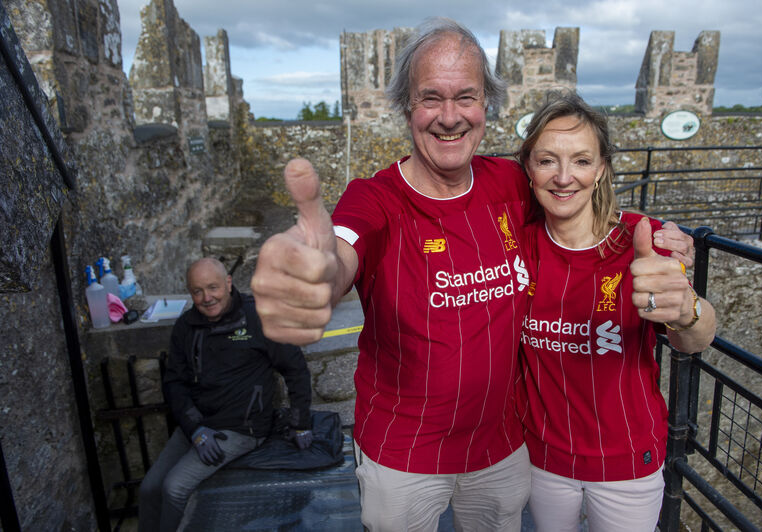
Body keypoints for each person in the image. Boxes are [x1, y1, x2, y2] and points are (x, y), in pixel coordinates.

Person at [250, 18, 694, 531]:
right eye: (430, 98)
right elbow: (340, 251)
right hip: (404, 456)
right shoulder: (374, 200)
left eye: (466, 97)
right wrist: (315, 274)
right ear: (406, 107)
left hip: (500, 452)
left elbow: (574, 200)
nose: (449, 117)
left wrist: (656, 229)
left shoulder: (510, 183)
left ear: (487, 106)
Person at [515, 92, 717, 531]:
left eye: (582, 161)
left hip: (627, 457)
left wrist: (686, 312)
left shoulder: (643, 238)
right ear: (528, 167)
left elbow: (698, 337)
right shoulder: (516, 242)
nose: (565, 177)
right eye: (548, 160)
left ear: (602, 167)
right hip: (543, 456)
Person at [138, 257, 313, 532]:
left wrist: (301, 423)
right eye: (197, 291)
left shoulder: (259, 318)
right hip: (197, 425)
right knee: (150, 488)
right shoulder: (186, 326)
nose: (207, 297)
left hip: (240, 428)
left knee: (174, 487)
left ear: (228, 283)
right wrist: (194, 428)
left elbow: (296, 369)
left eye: (213, 287)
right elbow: (175, 382)